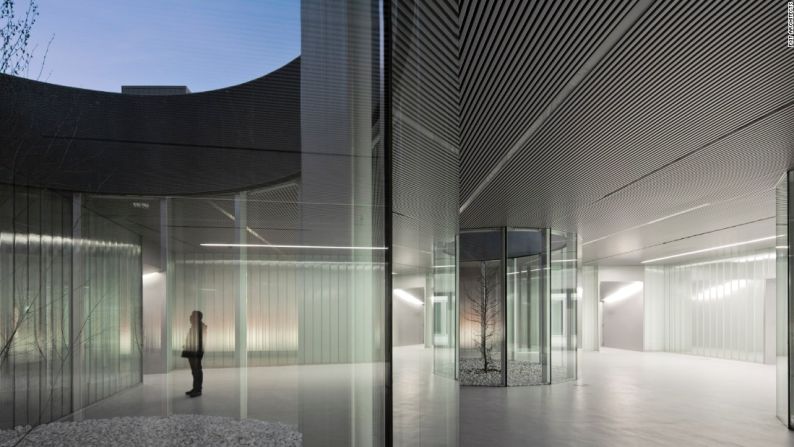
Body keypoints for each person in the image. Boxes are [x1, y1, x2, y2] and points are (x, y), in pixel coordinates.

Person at [181, 310, 207, 397]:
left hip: (195, 352)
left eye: (192, 316)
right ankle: (195, 388)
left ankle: (198, 390)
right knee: (194, 371)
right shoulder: (195, 326)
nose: (190, 317)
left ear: (197, 317)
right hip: (192, 351)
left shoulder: (200, 327)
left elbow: (200, 341)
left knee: (197, 371)